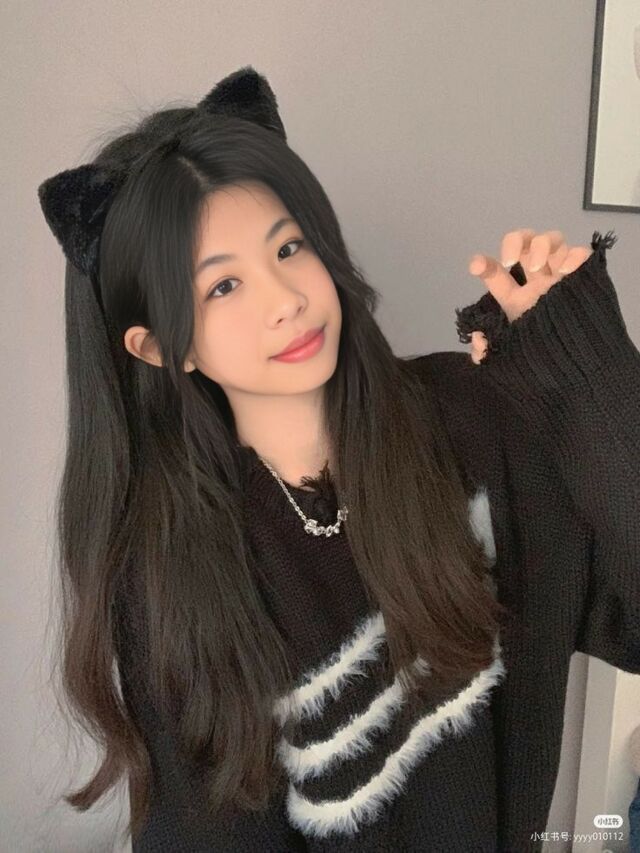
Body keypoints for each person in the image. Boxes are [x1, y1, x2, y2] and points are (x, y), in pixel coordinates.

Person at [37, 66, 640, 852]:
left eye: (288, 247)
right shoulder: (172, 570)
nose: (285, 298)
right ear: (160, 347)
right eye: (222, 287)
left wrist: (591, 373)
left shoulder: (473, 417)